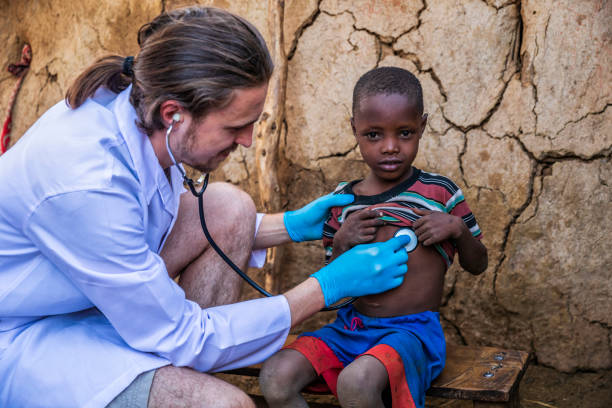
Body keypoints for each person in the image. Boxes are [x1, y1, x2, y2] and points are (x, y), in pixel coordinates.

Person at [0, 8, 414, 408]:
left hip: (88, 297)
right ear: (174, 115)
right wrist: (325, 288)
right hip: (27, 335)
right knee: (225, 405)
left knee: (229, 207)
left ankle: (176, 379)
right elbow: (185, 334)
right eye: (235, 127)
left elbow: (143, 226)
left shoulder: (142, 109)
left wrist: (290, 226)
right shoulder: (86, 182)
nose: (249, 140)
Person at [259, 67, 488, 408]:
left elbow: (478, 264)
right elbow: (331, 286)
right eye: (374, 135)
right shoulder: (343, 201)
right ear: (354, 129)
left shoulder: (441, 193)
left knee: (357, 382)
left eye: (405, 133)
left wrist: (456, 229)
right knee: (275, 377)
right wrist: (340, 243)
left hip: (411, 333)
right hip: (348, 329)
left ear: (422, 126)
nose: (390, 147)